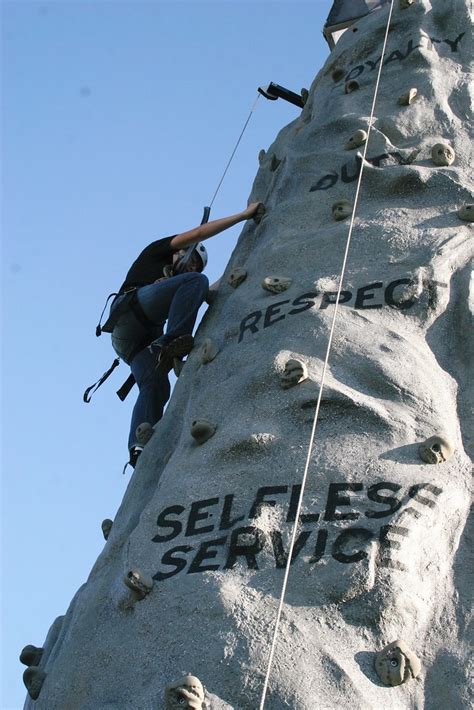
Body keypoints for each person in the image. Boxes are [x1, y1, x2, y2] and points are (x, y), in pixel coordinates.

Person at [108, 202, 263, 469]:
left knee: (156, 383)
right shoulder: (157, 254)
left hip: (138, 344)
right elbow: (198, 234)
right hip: (131, 311)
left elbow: (209, 292)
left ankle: (139, 447)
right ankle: (171, 342)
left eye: (196, 266)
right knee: (194, 284)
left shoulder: (183, 285)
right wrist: (243, 216)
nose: (191, 267)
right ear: (180, 252)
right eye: (191, 260)